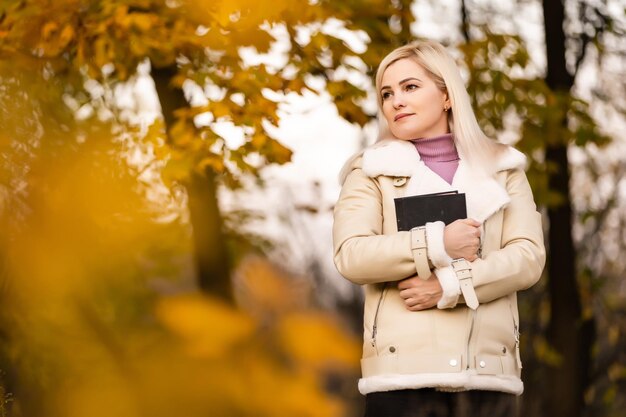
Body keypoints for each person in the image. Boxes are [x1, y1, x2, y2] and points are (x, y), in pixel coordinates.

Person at [332, 40, 546, 417]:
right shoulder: (370, 172)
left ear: (446, 95)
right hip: (402, 383)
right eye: (386, 93)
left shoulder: (504, 168)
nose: (395, 101)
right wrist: (436, 243)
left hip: (488, 377)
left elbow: (527, 258)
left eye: (410, 87)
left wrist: (450, 286)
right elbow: (351, 255)